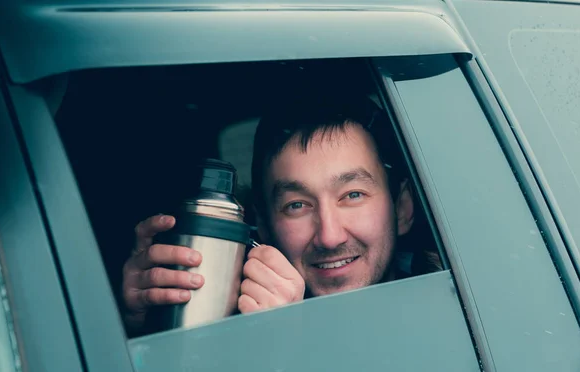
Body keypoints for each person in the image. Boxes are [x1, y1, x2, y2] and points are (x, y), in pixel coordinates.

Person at [121, 90, 440, 336]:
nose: (330, 236)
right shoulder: (222, 316)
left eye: (352, 195)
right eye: (297, 205)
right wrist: (136, 326)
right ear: (263, 224)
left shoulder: (458, 310)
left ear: (402, 208)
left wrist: (296, 346)